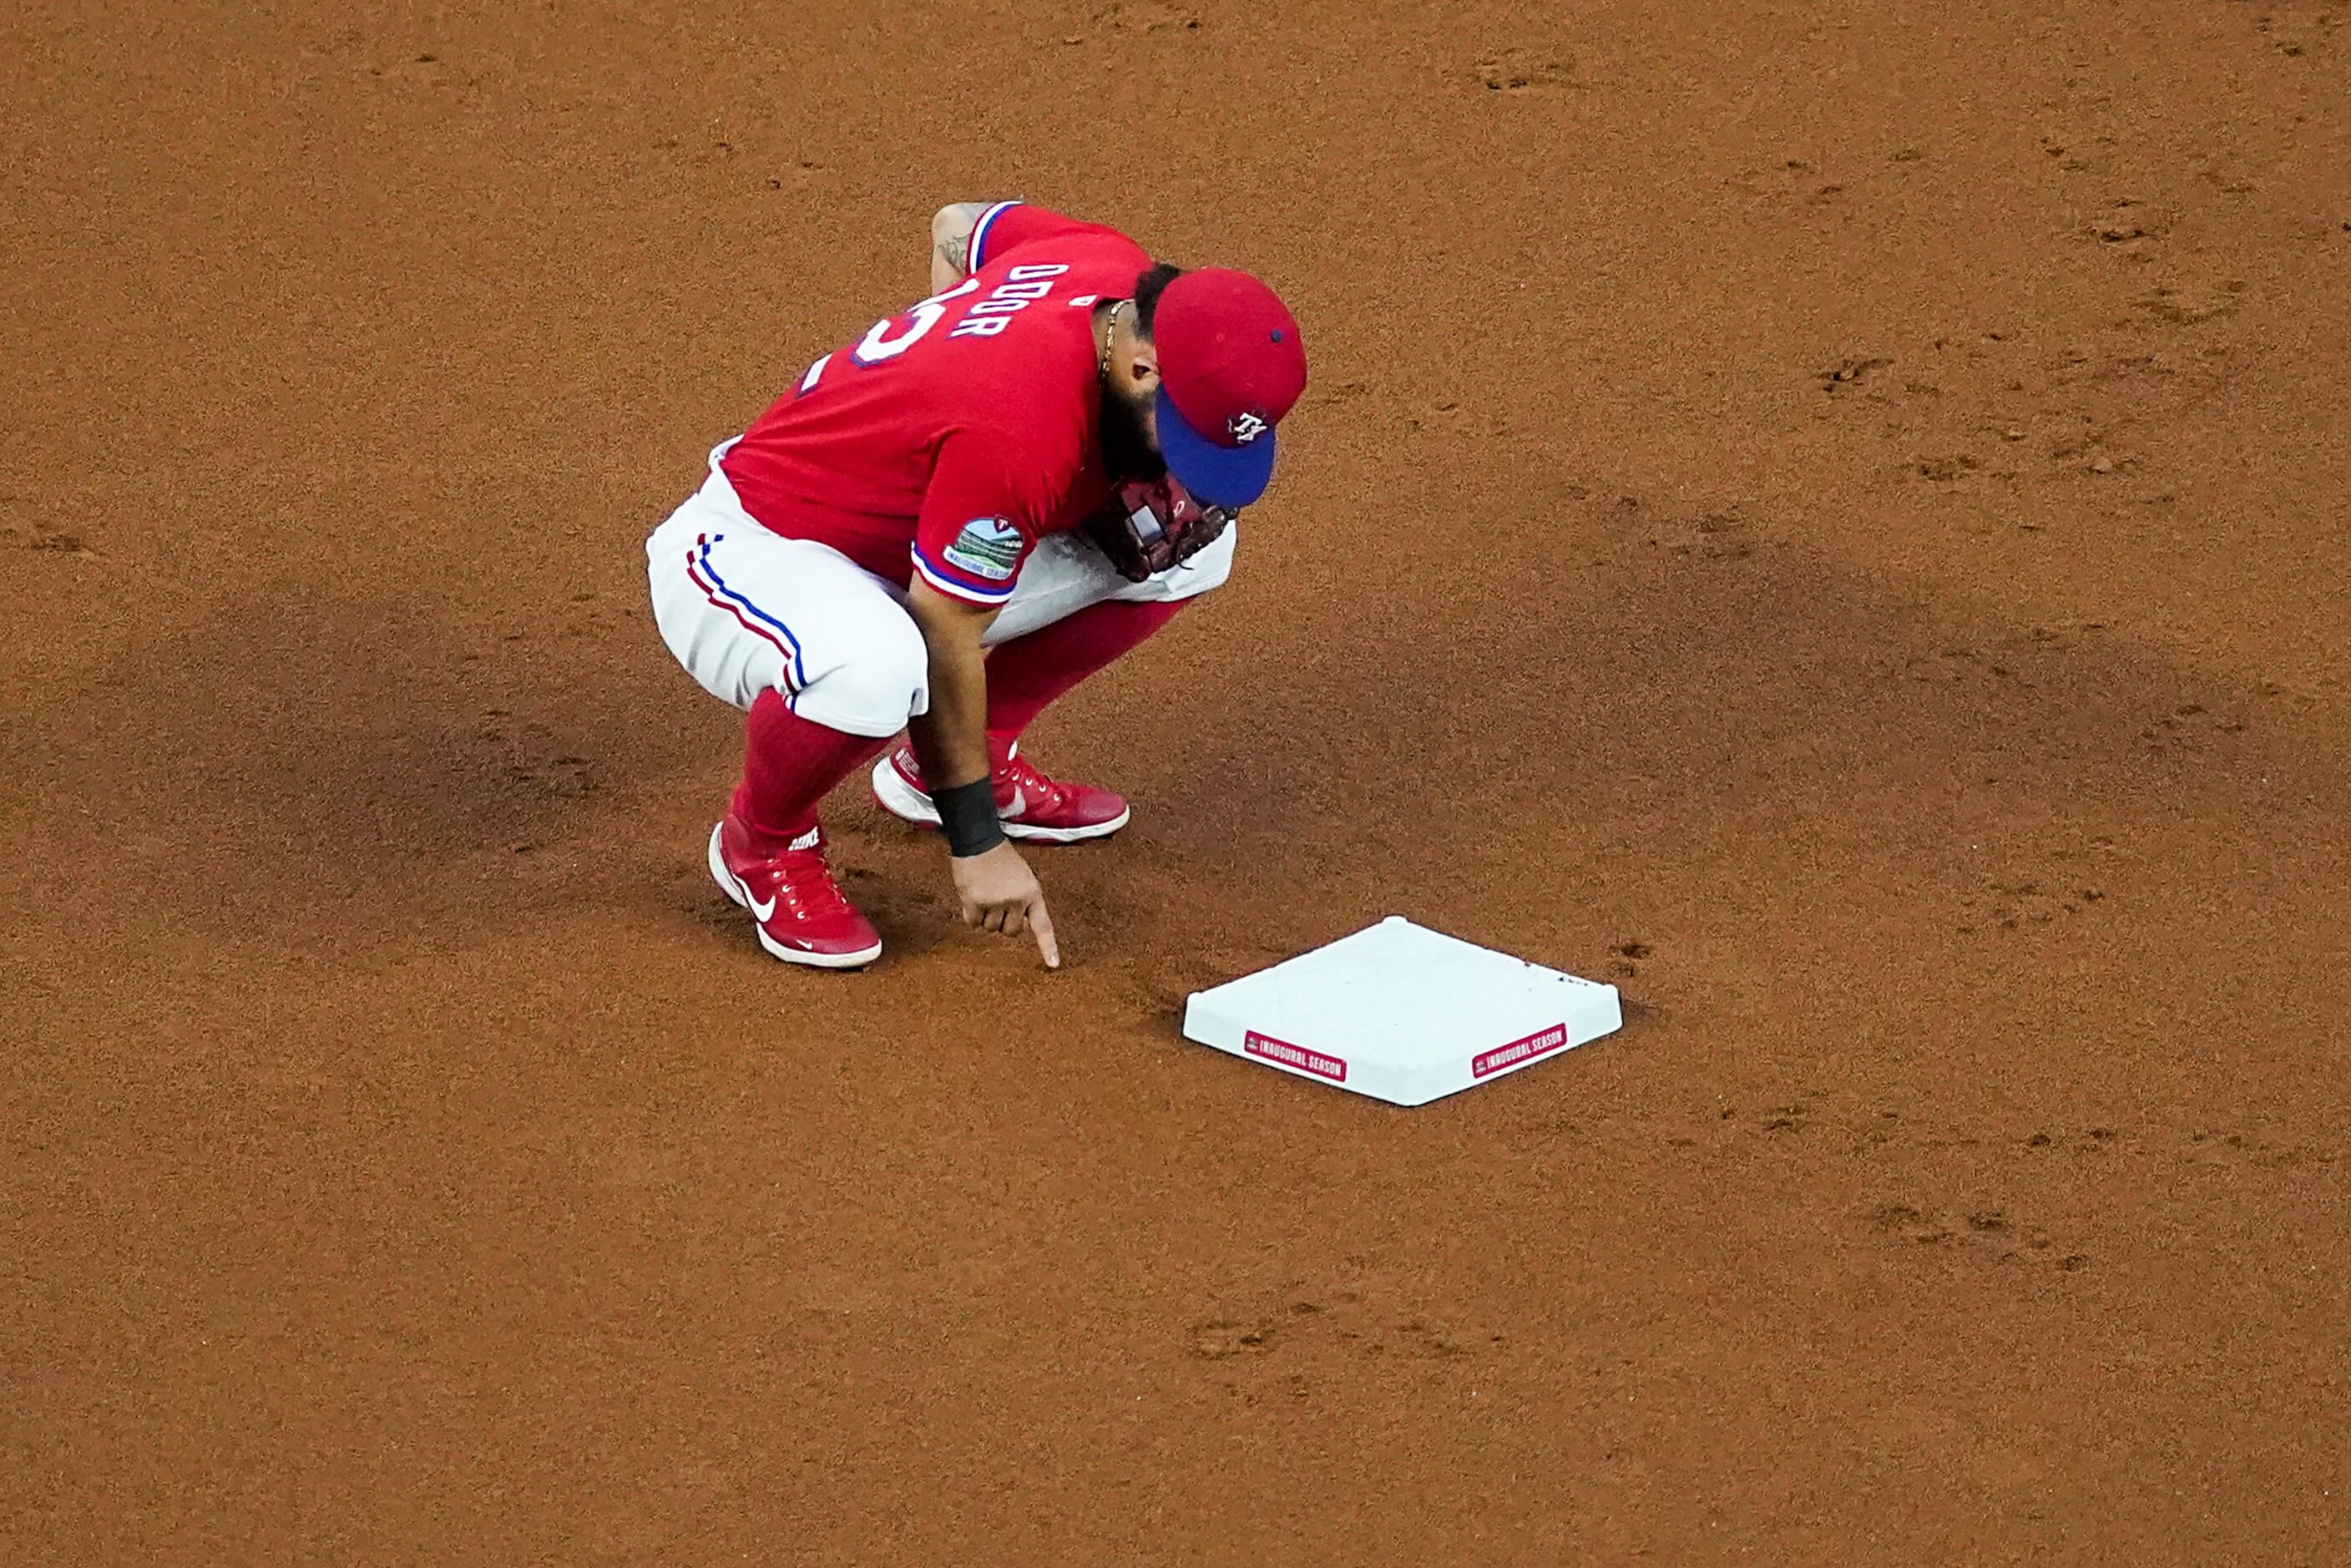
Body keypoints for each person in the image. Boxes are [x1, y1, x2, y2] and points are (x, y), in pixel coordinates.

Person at [645, 200, 1307, 970]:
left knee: (1187, 553)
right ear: (1141, 367)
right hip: (757, 547)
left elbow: (958, 225)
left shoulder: (1102, 265)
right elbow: (942, 631)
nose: (1181, 467)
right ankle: (763, 841)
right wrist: (977, 844)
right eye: (1184, 438)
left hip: (918, 538)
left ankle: (963, 764)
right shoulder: (1018, 432)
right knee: (880, 670)